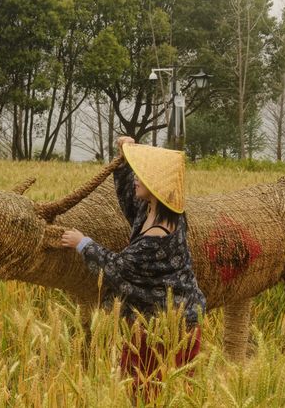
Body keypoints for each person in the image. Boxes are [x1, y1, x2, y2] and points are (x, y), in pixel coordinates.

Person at [61, 137, 206, 401]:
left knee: (153, 391)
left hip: (170, 328)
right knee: (147, 390)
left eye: (142, 176)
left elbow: (117, 268)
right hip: (156, 322)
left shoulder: (156, 239)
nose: (136, 180)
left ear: (157, 186)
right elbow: (130, 198)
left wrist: (82, 242)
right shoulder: (159, 210)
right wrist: (126, 156)